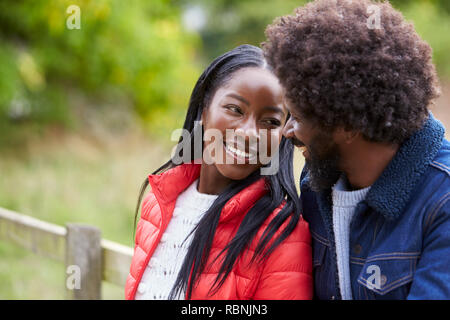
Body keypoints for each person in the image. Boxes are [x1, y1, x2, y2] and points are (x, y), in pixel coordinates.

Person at [263, 0, 450, 299]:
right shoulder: (316, 182)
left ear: (347, 125)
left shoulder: (442, 200)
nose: (287, 132)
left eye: (297, 117)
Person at [125, 44, 313, 300]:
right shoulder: (158, 204)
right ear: (204, 110)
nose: (248, 134)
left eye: (270, 122)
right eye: (235, 109)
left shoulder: (281, 234)